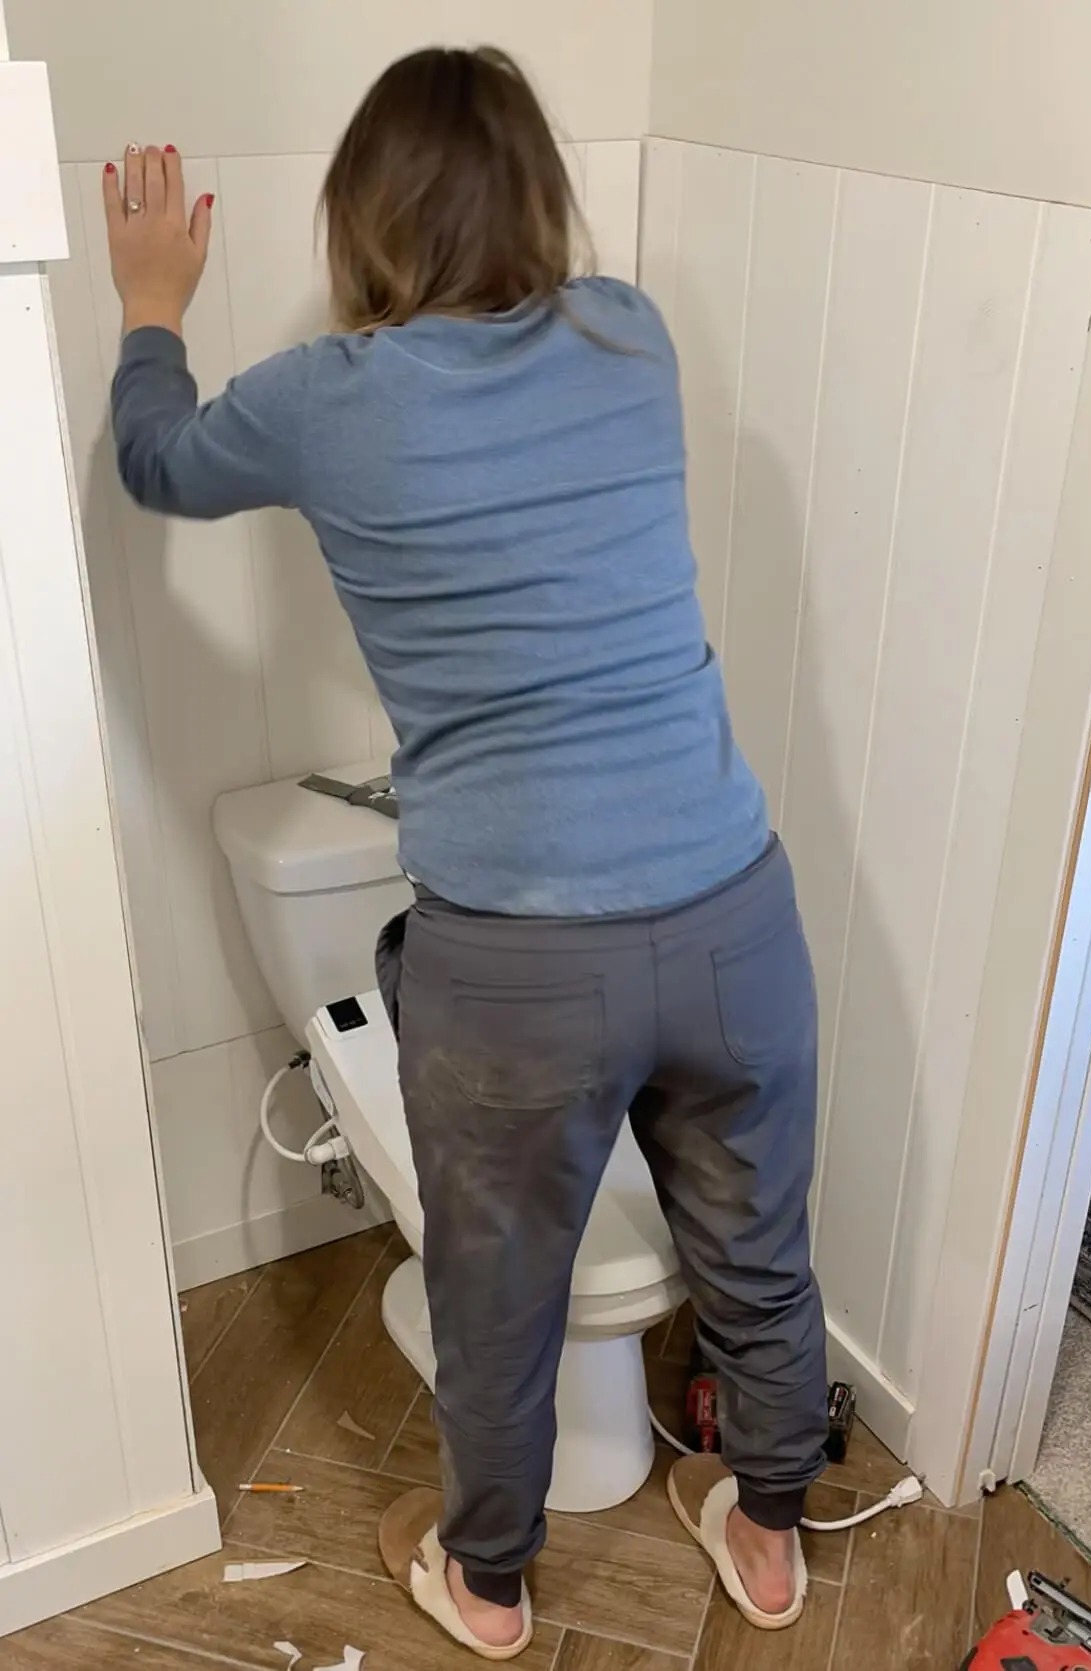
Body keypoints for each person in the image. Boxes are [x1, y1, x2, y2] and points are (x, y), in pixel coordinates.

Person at [103, 45, 827, 1660]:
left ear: (364, 216)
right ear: (540, 196)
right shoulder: (629, 336)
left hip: (515, 963)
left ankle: (486, 1582)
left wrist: (154, 299)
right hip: (730, 913)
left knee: (500, 1294)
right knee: (758, 1253)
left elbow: (156, 461)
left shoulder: (327, 404)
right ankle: (767, 1533)